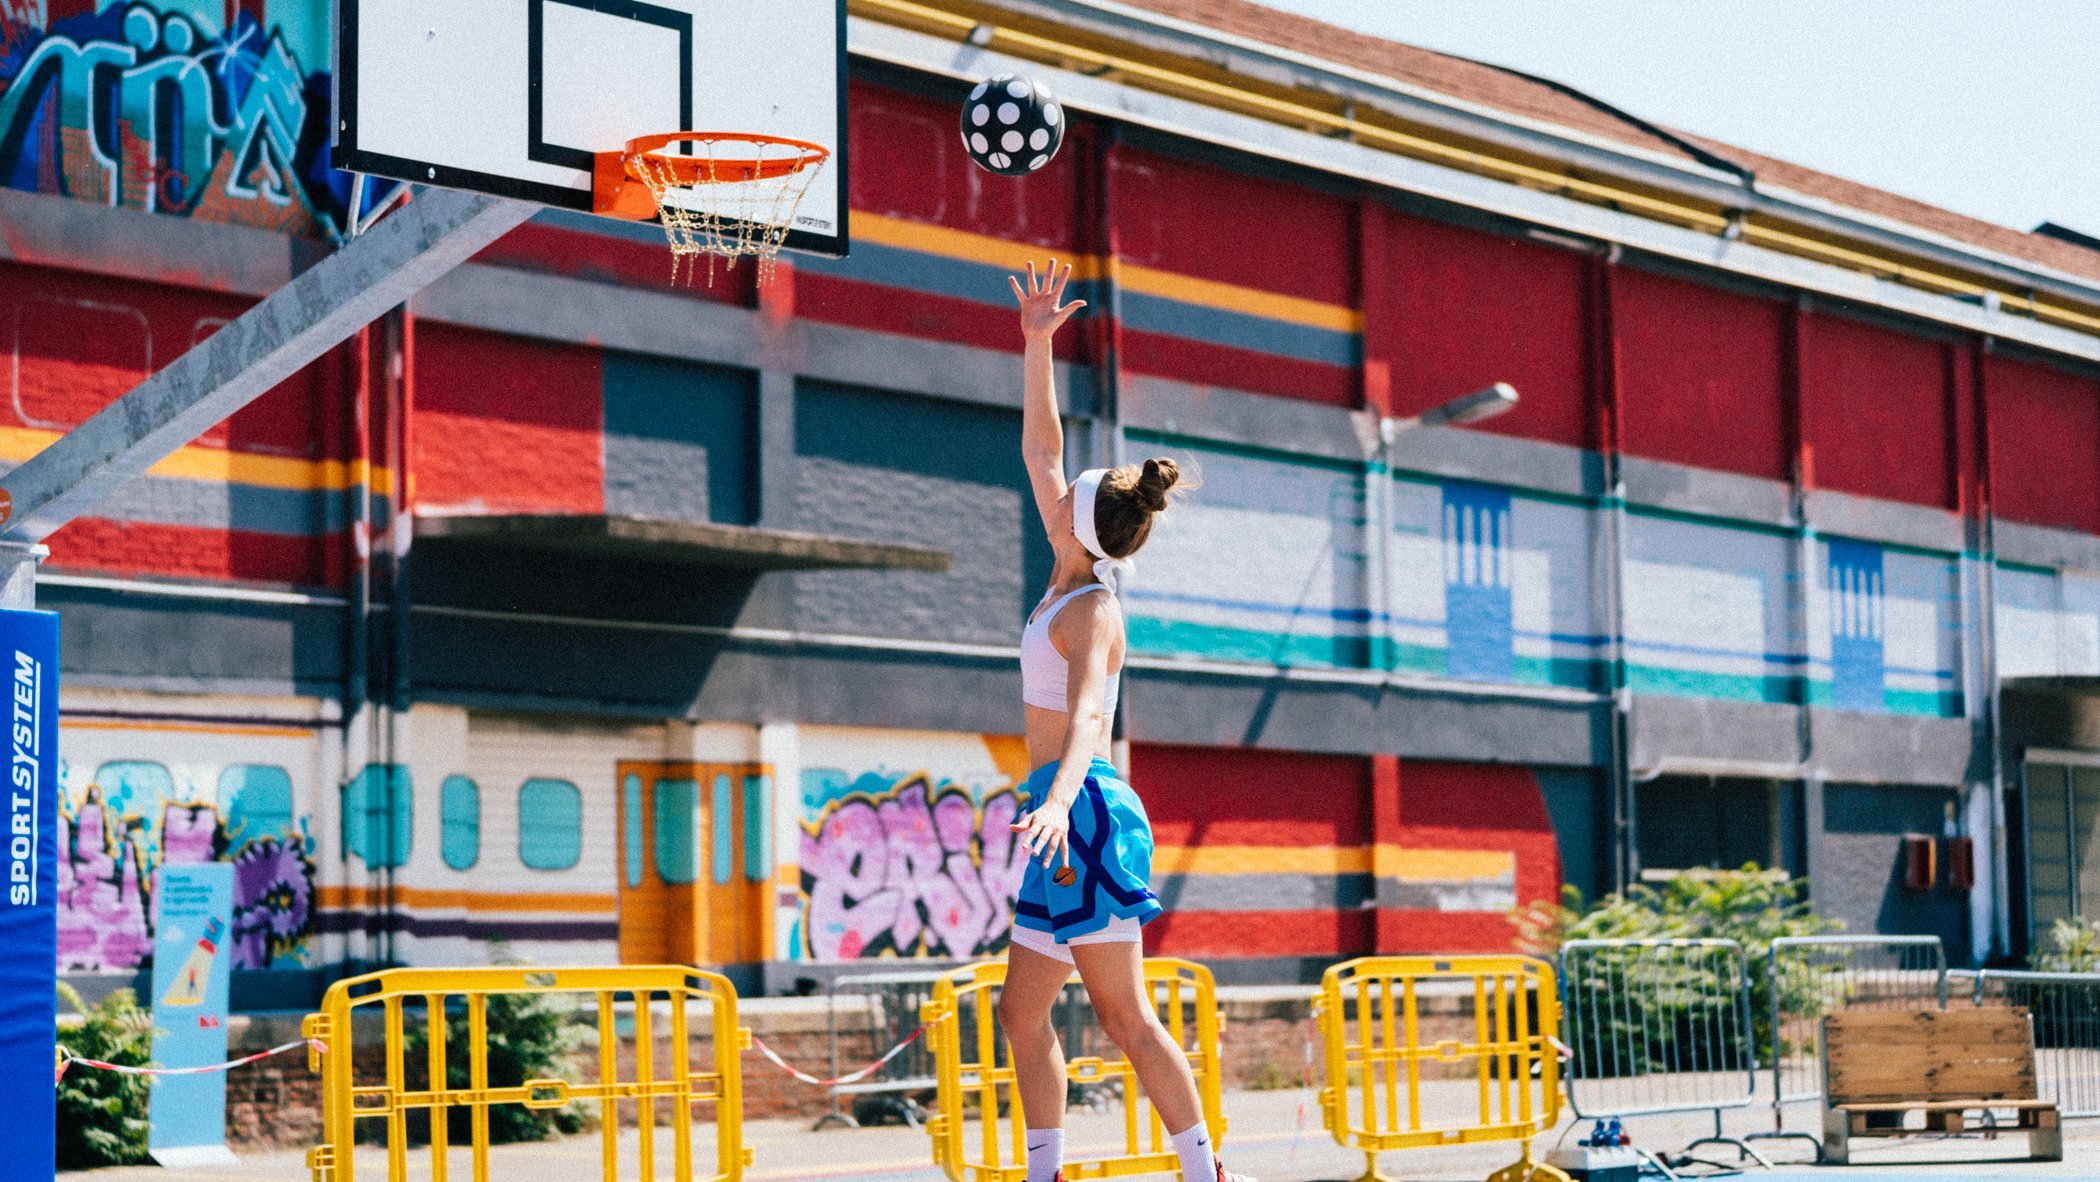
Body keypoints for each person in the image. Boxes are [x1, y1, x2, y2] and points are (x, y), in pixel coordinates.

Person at [1000, 259, 1252, 1182]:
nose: (1055, 487)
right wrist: (1036, 346)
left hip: (1086, 810)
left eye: (1070, 489)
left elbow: (1090, 722)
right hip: (1053, 810)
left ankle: (1203, 1169)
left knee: (1123, 1016)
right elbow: (1039, 448)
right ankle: (1046, 1170)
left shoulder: (1092, 612)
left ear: (1080, 523)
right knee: (1020, 1016)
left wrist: (1060, 800)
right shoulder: (1068, 560)